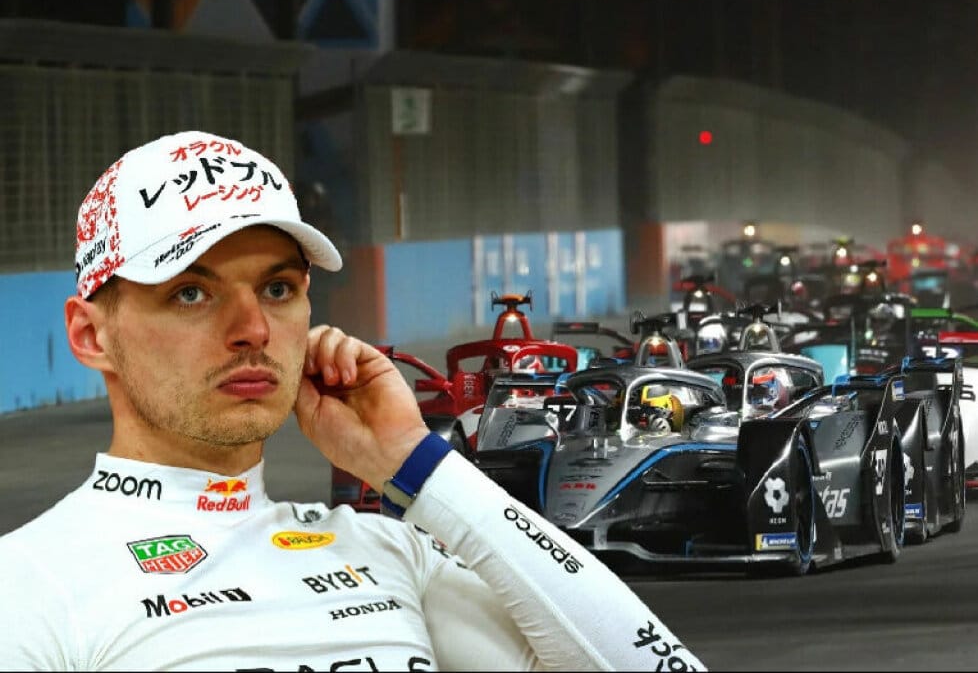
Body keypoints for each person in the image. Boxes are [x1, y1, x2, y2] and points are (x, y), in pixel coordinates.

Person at [0, 130, 705, 671]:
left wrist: (417, 465)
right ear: (90, 335)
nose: (253, 330)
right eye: (191, 293)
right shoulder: (29, 583)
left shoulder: (383, 549)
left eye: (278, 289)